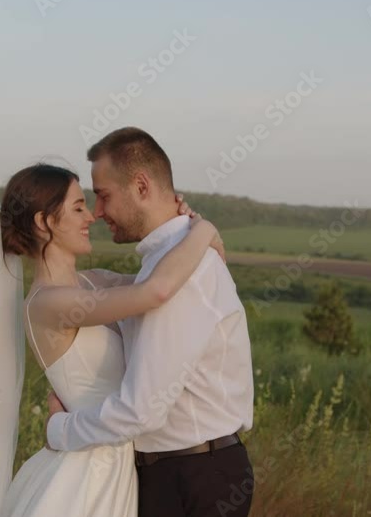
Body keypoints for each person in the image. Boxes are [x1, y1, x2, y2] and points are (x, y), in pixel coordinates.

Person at [0, 158, 230, 517]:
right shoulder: (48, 304)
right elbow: (156, 291)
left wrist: (181, 224)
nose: (91, 217)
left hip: (119, 466)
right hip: (85, 474)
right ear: (44, 222)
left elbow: (179, 282)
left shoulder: (94, 282)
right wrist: (203, 229)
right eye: (78, 207)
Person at [46, 127, 255, 517]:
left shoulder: (183, 270)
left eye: (104, 195)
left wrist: (59, 429)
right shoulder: (167, 261)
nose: (98, 212)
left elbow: (141, 410)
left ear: (141, 186)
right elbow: (113, 288)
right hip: (179, 471)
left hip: (193, 478)